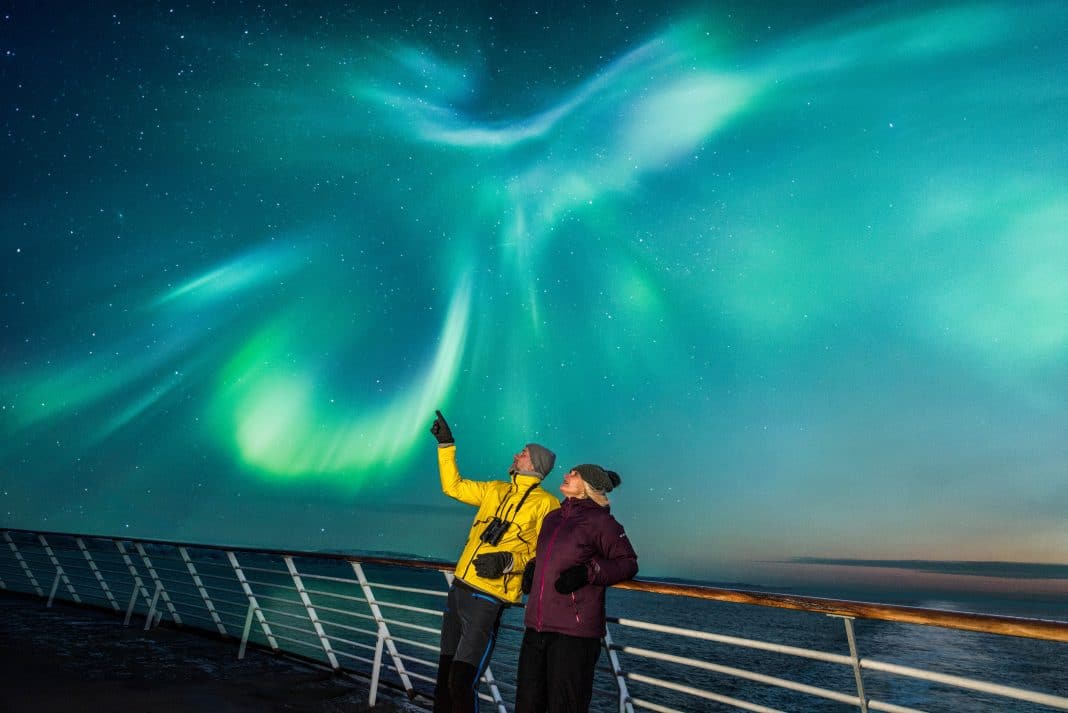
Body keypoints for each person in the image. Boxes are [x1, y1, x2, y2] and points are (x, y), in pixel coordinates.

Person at [430, 409, 561, 713]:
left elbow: (545, 554)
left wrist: (508, 560)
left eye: (524, 453)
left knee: (461, 682)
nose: (516, 455)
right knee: (443, 679)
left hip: (486, 598)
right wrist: (446, 445)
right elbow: (454, 486)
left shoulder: (547, 505)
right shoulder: (495, 489)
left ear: (536, 465)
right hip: (460, 589)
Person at [515, 464, 638, 713]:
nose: (566, 475)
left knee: (565, 707)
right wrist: (533, 568)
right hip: (536, 627)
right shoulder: (553, 518)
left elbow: (627, 563)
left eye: (574, 474)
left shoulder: (601, 521)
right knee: (527, 705)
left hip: (574, 634)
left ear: (588, 486)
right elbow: (552, 556)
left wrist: (588, 572)